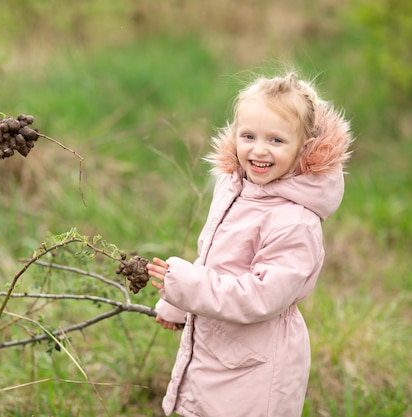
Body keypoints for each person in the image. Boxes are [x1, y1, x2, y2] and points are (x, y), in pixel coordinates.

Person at [146, 71, 353, 417]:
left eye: (276, 140)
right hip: (217, 349)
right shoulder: (237, 190)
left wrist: (190, 287)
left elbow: (260, 296)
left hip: (257, 366)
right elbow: (218, 264)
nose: (258, 150)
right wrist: (181, 302)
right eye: (248, 135)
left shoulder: (295, 221)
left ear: (304, 146)